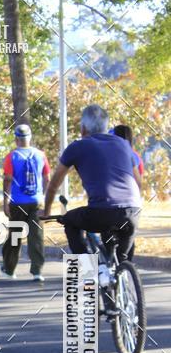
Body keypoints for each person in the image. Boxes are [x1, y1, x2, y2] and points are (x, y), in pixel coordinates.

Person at [43, 104, 141, 296]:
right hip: (133, 211)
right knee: (121, 259)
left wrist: (46, 211)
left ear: (83, 128)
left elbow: (54, 184)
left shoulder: (78, 146)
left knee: (70, 221)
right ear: (106, 126)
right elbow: (138, 181)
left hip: (102, 211)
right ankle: (123, 291)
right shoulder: (123, 144)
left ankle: (90, 271)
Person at [1, 124, 50, 282]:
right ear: (30, 138)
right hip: (36, 202)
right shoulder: (40, 155)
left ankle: (9, 269)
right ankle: (37, 271)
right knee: (36, 236)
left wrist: (5, 201)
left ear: (16, 139)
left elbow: (8, 180)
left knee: (15, 236)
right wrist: (42, 195)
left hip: (17, 203)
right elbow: (47, 177)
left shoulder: (12, 156)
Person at [112, 124, 143, 261]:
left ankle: (84, 277)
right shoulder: (135, 156)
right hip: (132, 206)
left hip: (107, 204)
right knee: (127, 237)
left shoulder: (106, 154)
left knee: (77, 226)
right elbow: (139, 182)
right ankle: (126, 270)